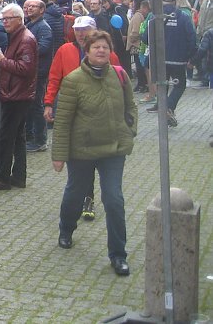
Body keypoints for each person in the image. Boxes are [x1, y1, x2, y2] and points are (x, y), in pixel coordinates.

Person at [52, 30, 137, 276]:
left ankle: (118, 254)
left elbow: (131, 106)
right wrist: (59, 155)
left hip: (113, 149)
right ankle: (66, 229)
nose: (101, 51)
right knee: (75, 193)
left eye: (105, 47)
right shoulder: (73, 80)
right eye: (96, 47)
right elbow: (63, 121)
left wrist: (130, 130)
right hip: (82, 150)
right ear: (87, 52)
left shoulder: (120, 76)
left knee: (113, 199)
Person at [0, 4, 37, 191]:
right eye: (2, 19)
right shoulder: (17, 36)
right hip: (17, 93)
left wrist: (2, 61)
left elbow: (26, 69)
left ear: (19, 19)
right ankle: (19, 176)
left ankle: (2, 178)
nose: (4, 22)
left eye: (8, 19)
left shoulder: (26, 39)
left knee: (5, 137)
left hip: (17, 94)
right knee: (18, 137)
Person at [142, 0, 195, 126]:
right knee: (180, 84)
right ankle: (169, 107)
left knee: (162, 85)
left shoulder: (155, 16)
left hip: (160, 60)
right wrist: (191, 57)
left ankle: (163, 108)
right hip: (178, 59)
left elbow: (145, 37)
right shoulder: (183, 17)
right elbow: (192, 38)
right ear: (175, 1)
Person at [23, 0, 53, 153]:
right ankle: (31, 136)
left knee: (37, 105)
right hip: (30, 71)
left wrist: (24, 53)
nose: (29, 9)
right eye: (28, 7)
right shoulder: (30, 25)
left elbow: (44, 47)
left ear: (42, 10)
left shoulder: (43, 27)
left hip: (38, 72)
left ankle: (40, 140)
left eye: (33, 7)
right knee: (31, 105)